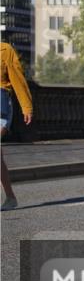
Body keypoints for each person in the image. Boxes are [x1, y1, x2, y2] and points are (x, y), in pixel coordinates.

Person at [1, 43, 33, 210]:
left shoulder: (5, 50)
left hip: (1, 105)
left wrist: (26, 107)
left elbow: (18, 79)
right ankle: (10, 197)